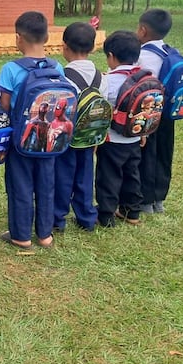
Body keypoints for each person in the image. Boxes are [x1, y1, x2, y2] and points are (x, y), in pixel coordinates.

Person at [0, 11, 62, 250]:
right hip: (52, 139)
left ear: (18, 38)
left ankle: (21, 236)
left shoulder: (11, 69)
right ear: (46, 37)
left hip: (21, 139)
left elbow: (5, 103)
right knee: (47, 184)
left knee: (20, 185)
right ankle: (45, 235)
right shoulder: (58, 67)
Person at [53, 22, 104, 232]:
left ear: (64, 46)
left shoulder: (62, 76)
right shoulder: (102, 76)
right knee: (85, 175)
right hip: (91, 135)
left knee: (63, 177)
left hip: (67, 137)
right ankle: (87, 217)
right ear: (93, 48)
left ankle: (57, 218)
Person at [95, 31, 144, 227]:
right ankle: (132, 212)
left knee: (109, 177)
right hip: (134, 137)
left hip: (112, 139)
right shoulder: (144, 77)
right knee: (132, 174)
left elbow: (101, 111)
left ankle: (106, 215)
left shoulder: (107, 82)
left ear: (111, 56)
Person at [136, 8, 174, 215]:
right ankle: (159, 199)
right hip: (169, 114)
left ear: (142, 30)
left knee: (147, 154)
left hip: (149, 112)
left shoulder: (142, 55)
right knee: (164, 154)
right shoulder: (170, 51)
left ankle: (145, 200)